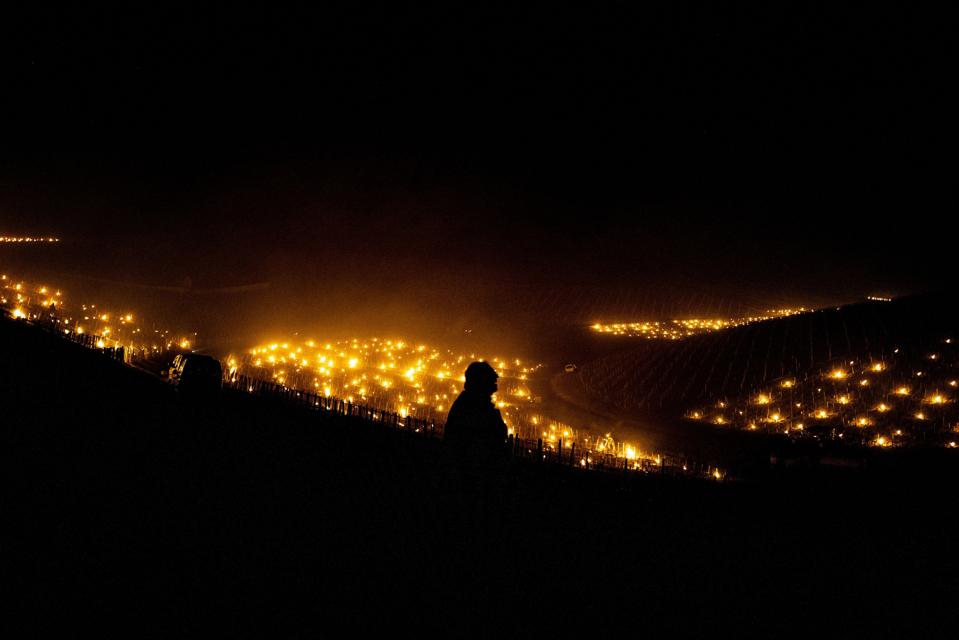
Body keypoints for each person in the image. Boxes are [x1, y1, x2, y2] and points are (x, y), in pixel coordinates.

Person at [444, 361, 508, 455]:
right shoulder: (471, 408)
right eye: (491, 382)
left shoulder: (469, 403)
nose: (495, 386)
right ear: (481, 383)